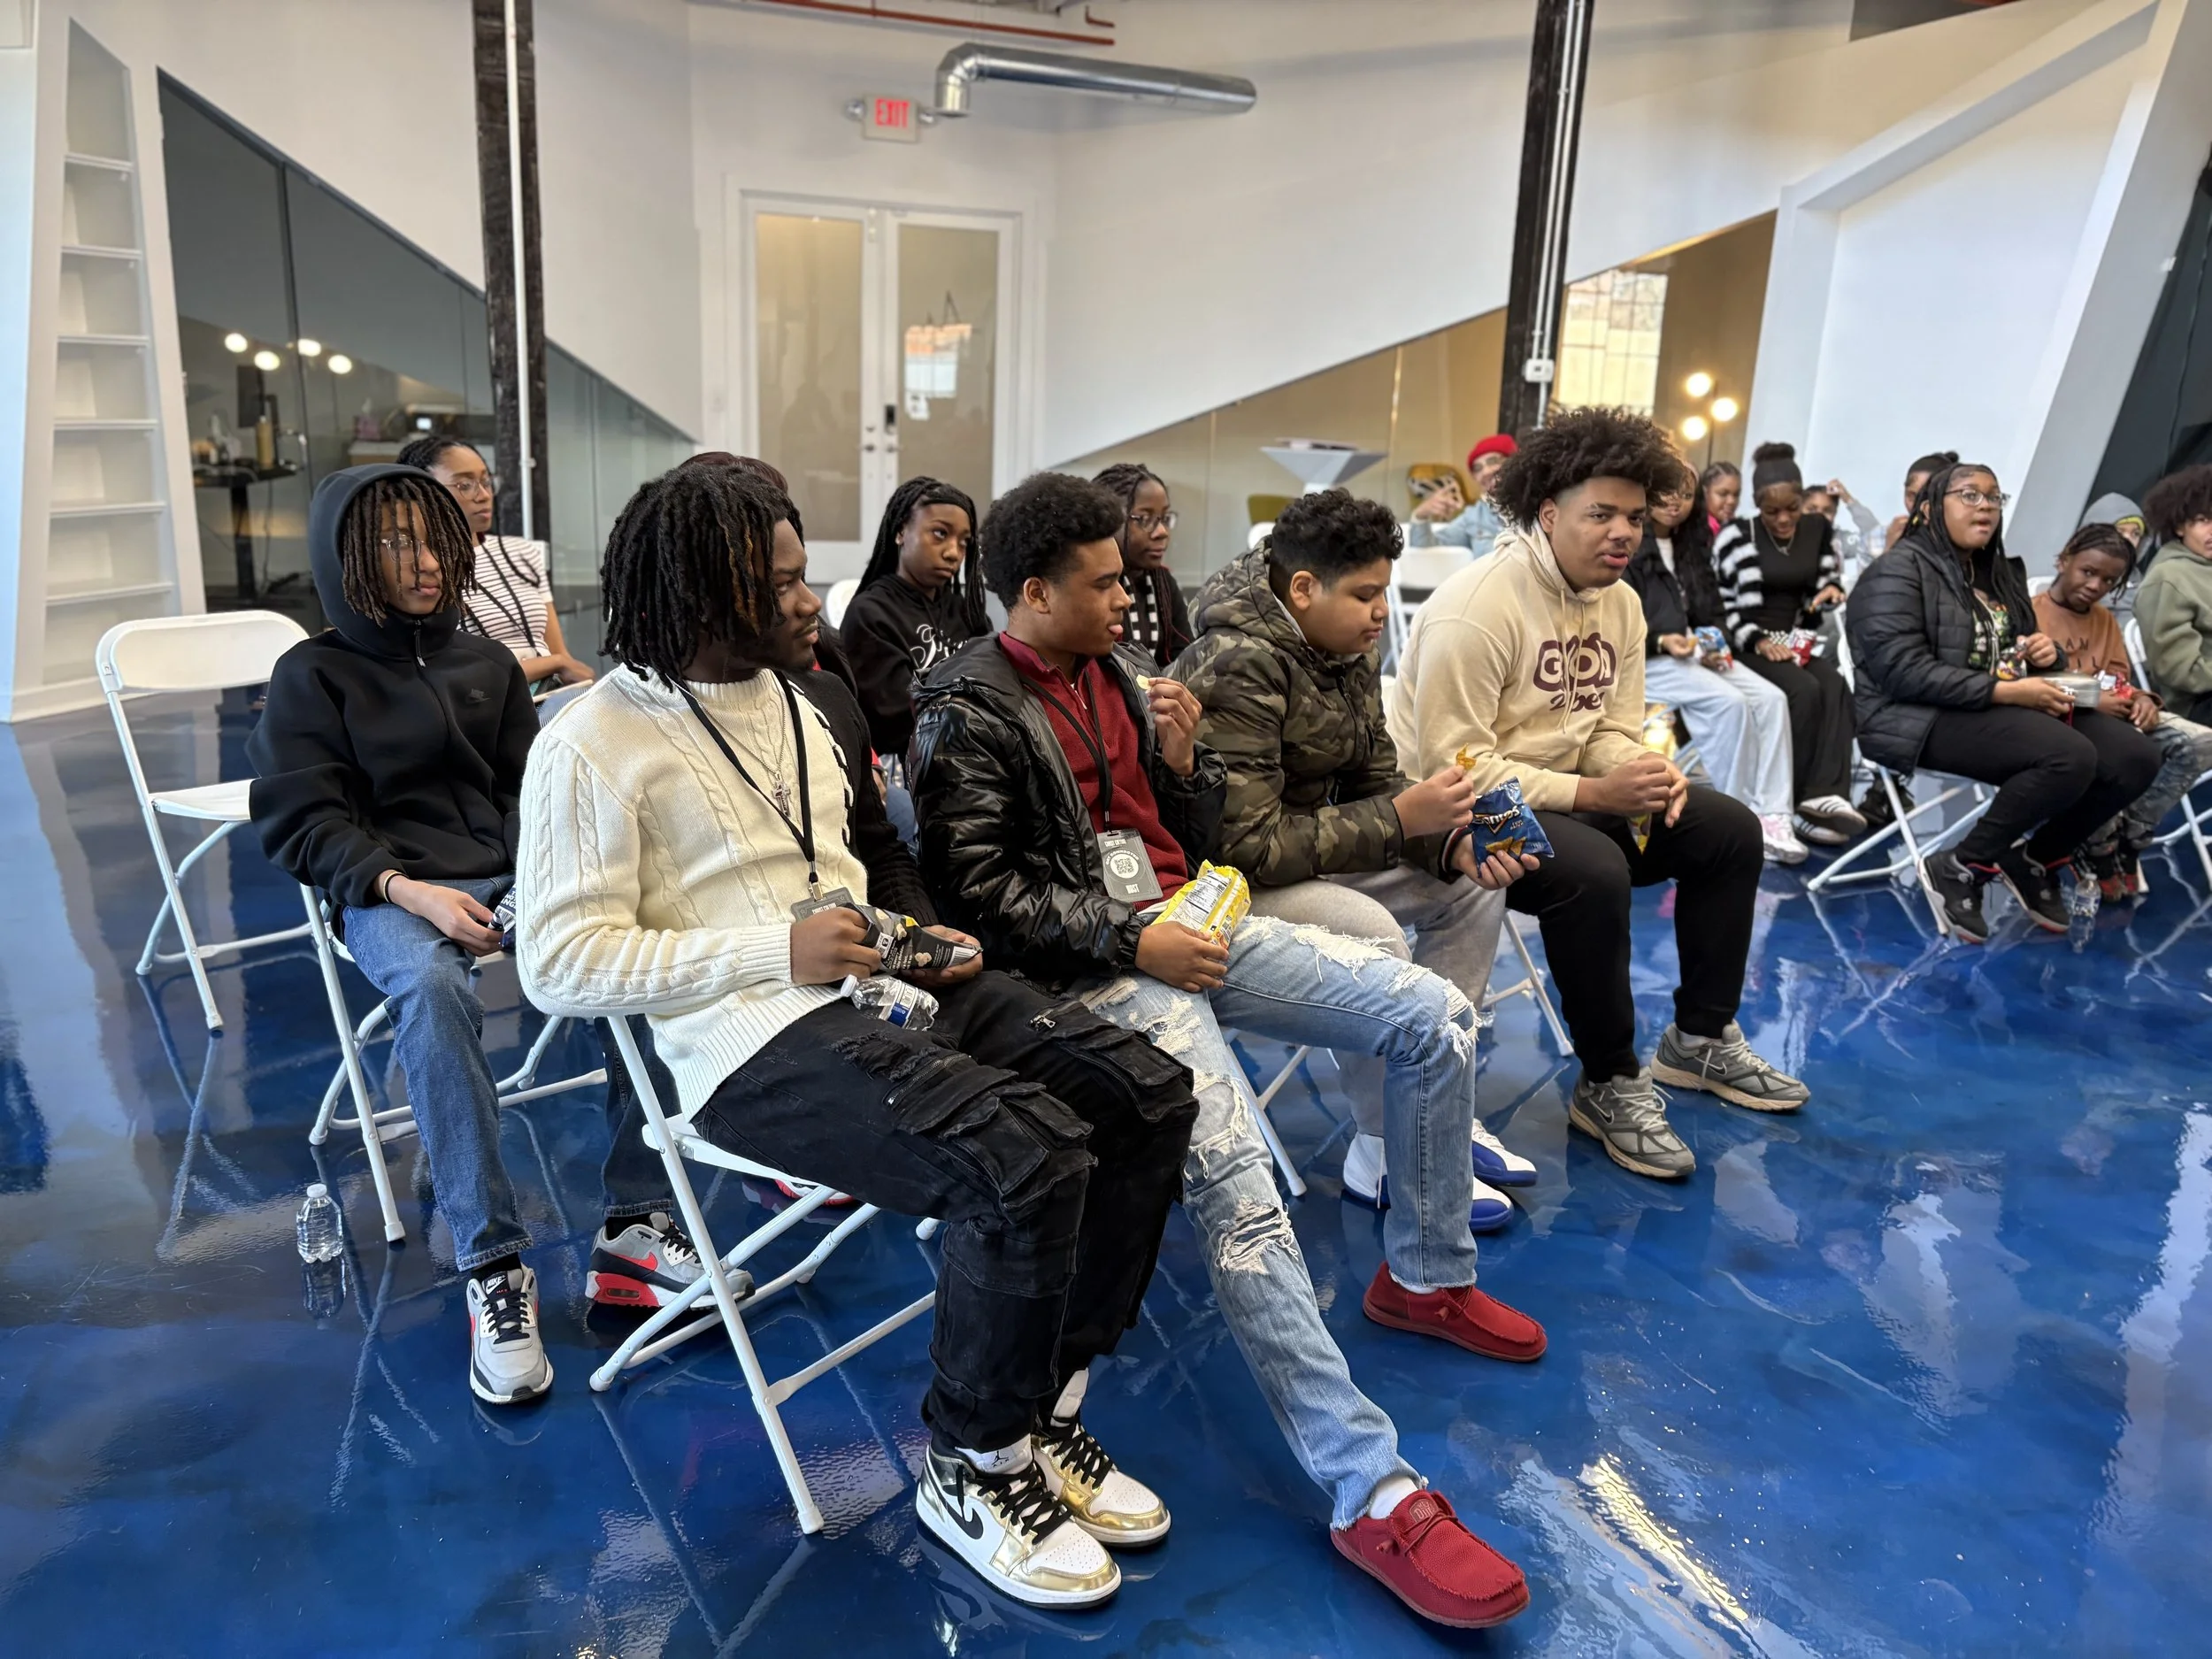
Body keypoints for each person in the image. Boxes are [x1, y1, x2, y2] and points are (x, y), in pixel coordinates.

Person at [517, 462, 1200, 1610]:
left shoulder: (802, 700)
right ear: (704, 594)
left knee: (1142, 1095)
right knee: (1025, 1157)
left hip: (874, 982)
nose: (810, 598)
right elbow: (557, 964)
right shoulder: (592, 744)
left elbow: (847, 867)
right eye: (783, 582)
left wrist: (917, 935)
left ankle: (1041, 1407)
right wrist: (773, 952)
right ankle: (973, 1460)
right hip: (741, 1045)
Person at [909, 470, 1539, 1633]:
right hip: (1101, 966)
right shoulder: (966, 704)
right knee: (1245, 1194)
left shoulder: (1113, 676)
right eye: (1104, 582)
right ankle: (1371, 1487)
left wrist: (1183, 766)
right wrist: (1129, 935)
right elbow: (979, 896)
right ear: (1034, 592)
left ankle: (1425, 1273)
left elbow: (1183, 840)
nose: (1130, 595)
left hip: (1190, 919)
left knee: (1436, 1017)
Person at [247, 465, 698, 1408]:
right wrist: (412, 892)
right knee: (433, 987)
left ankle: (635, 1222)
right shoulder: (311, 677)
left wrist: (544, 884)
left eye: (436, 542)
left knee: (630, 951)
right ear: (346, 558)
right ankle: (494, 1265)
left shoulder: (485, 663)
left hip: (507, 876)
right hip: (386, 889)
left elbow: (530, 794)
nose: (425, 563)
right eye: (396, 543)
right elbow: (303, 824)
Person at [1389, 408, 1809, 1183]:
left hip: (1569, 792)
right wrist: (1595, 790)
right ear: (1548, 514)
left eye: (1635, 518)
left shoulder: (1620, 603)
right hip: (1461, 812)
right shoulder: (1476, 608)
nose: (1623, 534)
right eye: (1601, 515)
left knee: (1728, 828)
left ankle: (1699, 1039)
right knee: (1593, 869)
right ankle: (1609, 1079)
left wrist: (1644, 772)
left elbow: (1611, 727)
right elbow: (1452, 765)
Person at [1171, 488, 1540, 1222]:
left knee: (1473, 885)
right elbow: (1245, 845)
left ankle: (1436, 1107)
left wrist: (1449, 841)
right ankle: (1384, 1146)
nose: (1381, 612)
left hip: (1305, 853)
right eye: (1366, 595)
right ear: (1304, 589)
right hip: (1221, 885)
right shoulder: (1237, 661)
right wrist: (1400, 817)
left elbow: (1376, 781)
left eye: (1383, 593)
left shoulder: (1342, 647)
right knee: (1369, 933)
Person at [1847, 460, 2162, 943]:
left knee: (2136, 756)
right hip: (1916, 716)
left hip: (1999, 704)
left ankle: (2037, 857)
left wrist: (2048, 653)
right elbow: (1901, 672)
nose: (1986, 506)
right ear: (1929, 509)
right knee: (2069, 755)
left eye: (1994, 498)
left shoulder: (1997, 571)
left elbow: (2021, 649)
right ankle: (1963, 864)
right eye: (1970, 495)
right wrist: (2008, 691)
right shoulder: (1894, 572)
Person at [1627, 463, 1802, 864]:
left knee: (1772, 699)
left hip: (1694, 657)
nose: (1676, 502)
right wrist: (1661, 641)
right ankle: (1736, 817)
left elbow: (1712, 612)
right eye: (1667, 492)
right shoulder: (1630, 544)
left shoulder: (1693, 546)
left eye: (1686, 495)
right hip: (1647, 660)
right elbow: (1617, 622)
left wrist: (1712, 643)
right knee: (1730, 703)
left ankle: (1774, 815)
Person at [2033, 522, 2212, 901]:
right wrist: (2091, 699)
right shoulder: (2032, 615)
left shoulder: (2104, 620)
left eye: (2109, 581)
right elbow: (2027, 683)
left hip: (2116, 714)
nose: (2096, 586)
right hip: (2062, 722)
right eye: (2088, 572)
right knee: (2116, 757)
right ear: (2063, 561)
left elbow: (2118, 678)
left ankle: (2133, 834)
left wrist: (2144, 699)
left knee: (2200, 742)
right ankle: (2097, 842)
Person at [1713, 442, 1864, 846]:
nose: (1783, 519)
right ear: (1757, 506)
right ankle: (1788, 803)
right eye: (1771, 511)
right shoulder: (1736, 535)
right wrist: (1759, 641)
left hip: (1794, 641)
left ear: (1802, 499)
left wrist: (1828, 592)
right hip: (1748, 642)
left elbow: (1824, 581)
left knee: (1834, 685)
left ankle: (1824, 796)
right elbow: (1722, 609)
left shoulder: (1817, 529)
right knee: (1803, 690)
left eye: (1792, 508)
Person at [398, 436, 597, 705]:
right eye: (465, 485)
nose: (483, 495)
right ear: (423, 491)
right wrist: (556, 664)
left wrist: (571, 674)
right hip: (486, 706)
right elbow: (454, 674)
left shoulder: (521, 552)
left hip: (552, 697)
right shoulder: (424, 569)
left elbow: (558, 653)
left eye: (486, 481)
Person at [840, 477, 988, 757]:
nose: (953, 553)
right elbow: (897, 718)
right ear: (901, 532)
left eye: (964, 542)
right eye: (940, 534)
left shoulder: (965, 611)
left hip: (973, 754)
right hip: (907, 765)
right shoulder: (871, 614)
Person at [1093, 464, 1192, 669]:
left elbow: (1185, 657)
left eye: (1165, 518)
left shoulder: (1162, 582)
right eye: (1145, 519)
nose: (1162, 532)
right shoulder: (1090, 585)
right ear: (1107, 519)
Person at [2135, 464, 2212, 725]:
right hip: (2198, 704)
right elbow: (2177, 670)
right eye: (2203, 520)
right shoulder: (2169, 576)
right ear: (2180, 526)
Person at [1408, 434, 1516, 559]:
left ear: (1514, 463)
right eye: (1477, 468)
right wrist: (1421, 515)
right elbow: (1425, 548)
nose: (1485, 472)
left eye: (1493, 461)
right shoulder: (1474, 517)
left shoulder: (1534, 507)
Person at [1801, 477, 1883, 583]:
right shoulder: (1789, 536)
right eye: (1812, 509)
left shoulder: (1839, 540)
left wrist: (1848, 499)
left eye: (1827, 511)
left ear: (1835, 514)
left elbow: (1875, 536)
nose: (1819, 516)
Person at [1884, 449, 1956, 557]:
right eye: (1912, 496)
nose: (1919, 506)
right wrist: (1889, 548)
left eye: (1928, 497)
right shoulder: (1880, 537)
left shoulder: (1965, 536)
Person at [1699, 460, 1740, 535]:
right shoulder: (1693, 530)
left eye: (1736, 495)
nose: (1732, 501)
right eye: (1723, 494)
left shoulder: (1737, 530)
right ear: (1705, 492)